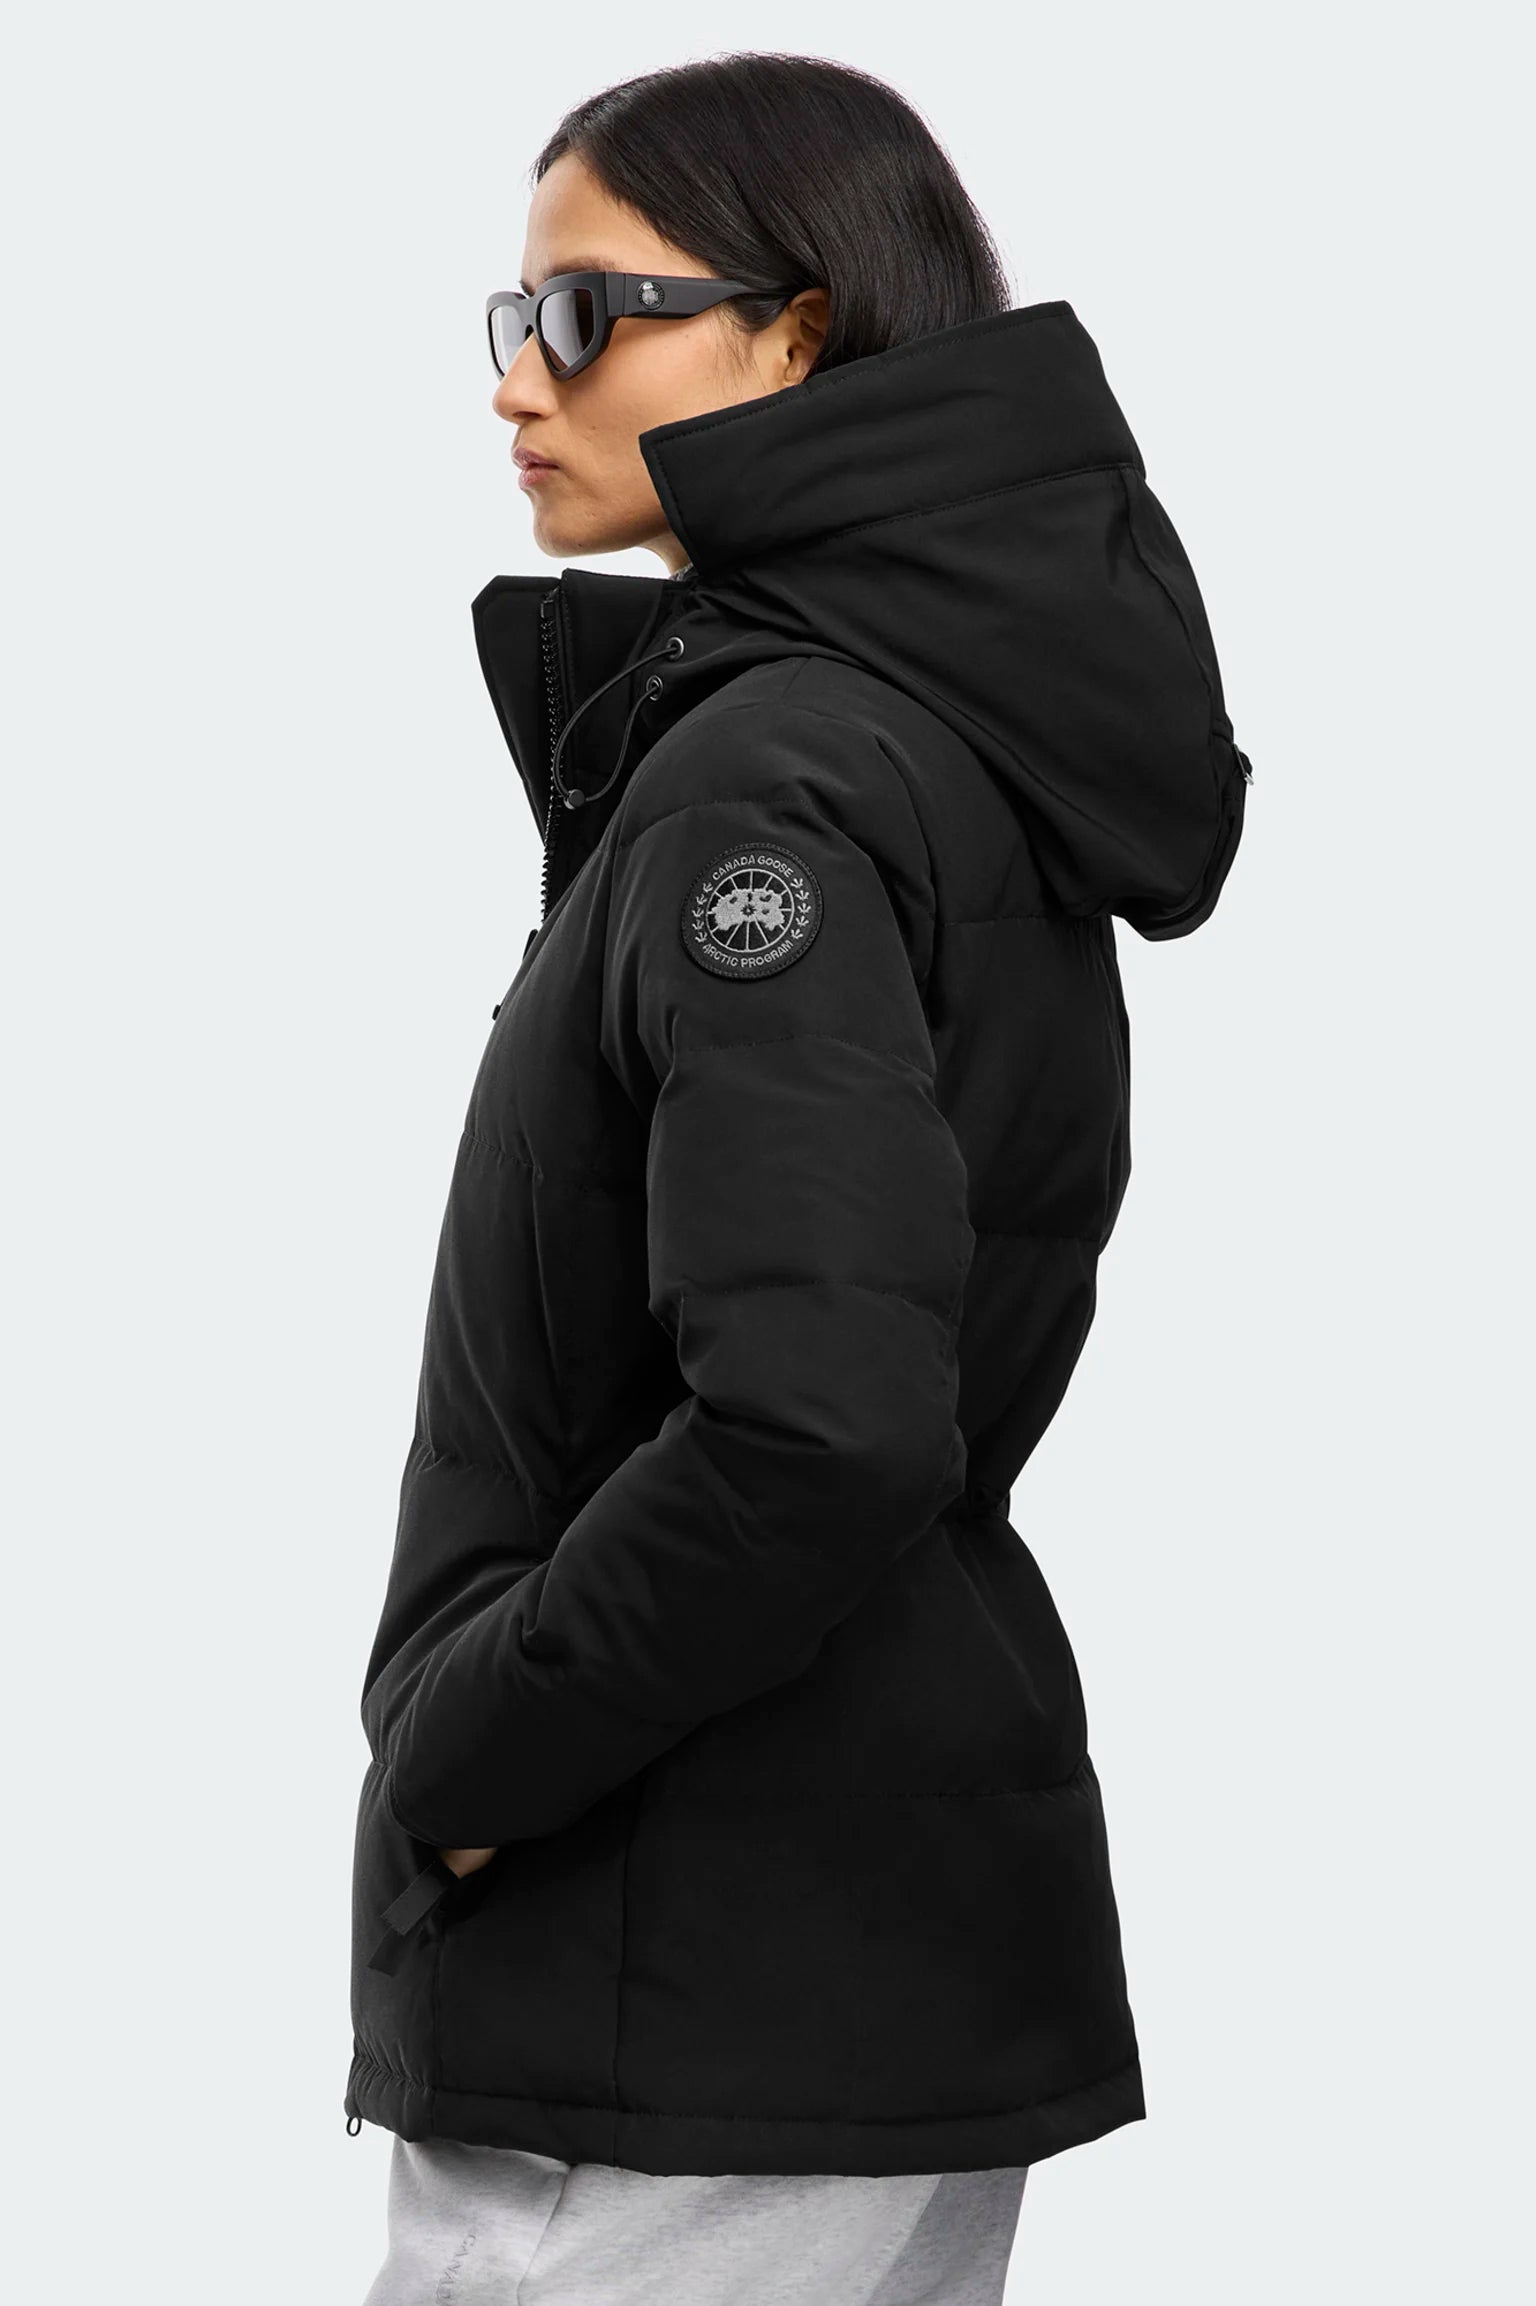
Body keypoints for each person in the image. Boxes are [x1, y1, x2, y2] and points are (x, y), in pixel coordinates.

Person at [346, 51, 1251, 2306]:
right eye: (512, 318)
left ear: (796, 335)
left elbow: (823, 1418)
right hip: (857, 1953)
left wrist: (474, 1755)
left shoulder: (773, 783)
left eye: (587, 314)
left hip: (680, 1996)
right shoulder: (931, 740)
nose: (519, 380)